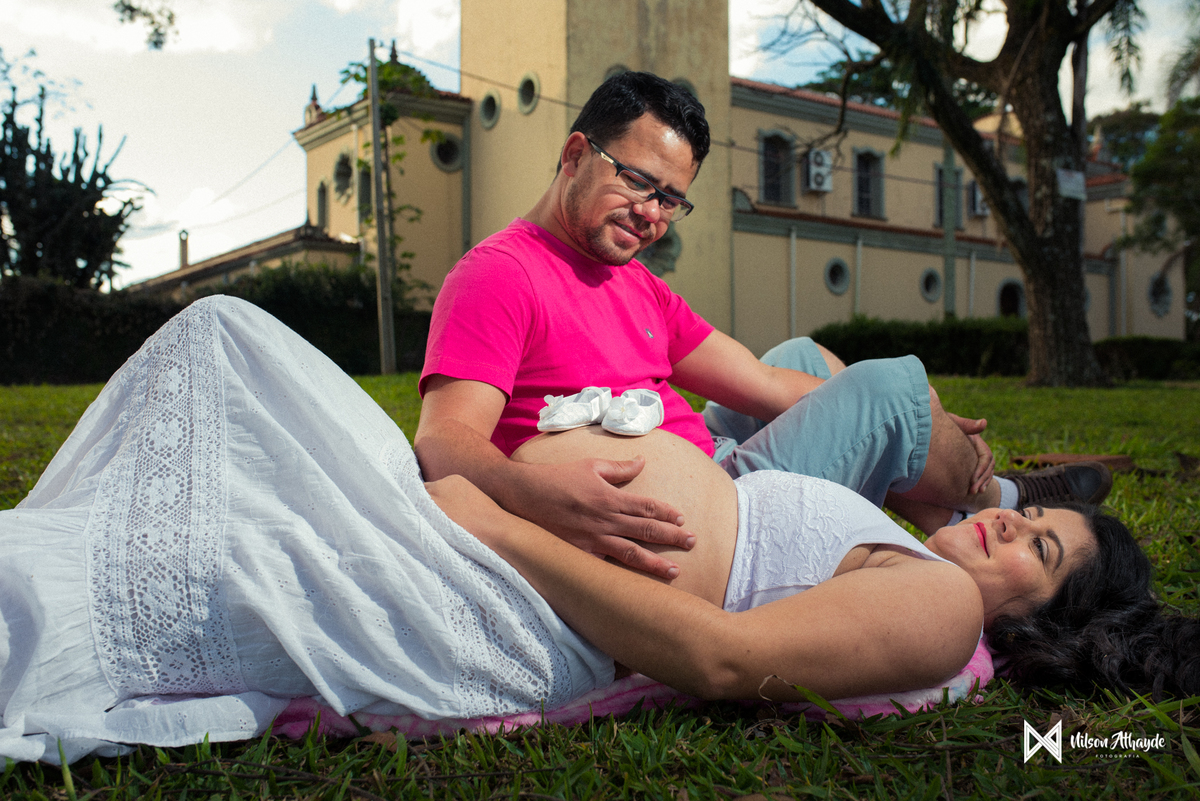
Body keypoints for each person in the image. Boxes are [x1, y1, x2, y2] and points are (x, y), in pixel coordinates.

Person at [0, 298, 1189, 764]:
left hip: (522, 592)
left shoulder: (936, 611)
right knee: (219, 346)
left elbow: (718, 658)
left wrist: (495, 522)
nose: (1002, 530)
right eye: (1024, 514)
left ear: (1044, 620)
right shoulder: (908, 553)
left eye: (1037, 550)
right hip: (504, 537)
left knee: (230, 408)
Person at [416, 70, 1112, 581]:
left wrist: (917, 420)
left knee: (806, 357)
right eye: (637, 181)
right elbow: (442, 441)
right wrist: (531, 492)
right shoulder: (500, 275)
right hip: (716, 504)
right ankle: (999, 497)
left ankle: (943, 501)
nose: (651, 214)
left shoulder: (634, 282)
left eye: (671, 200)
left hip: (708, 454)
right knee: (891, 387)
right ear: (574, 154)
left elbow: (763, 380)